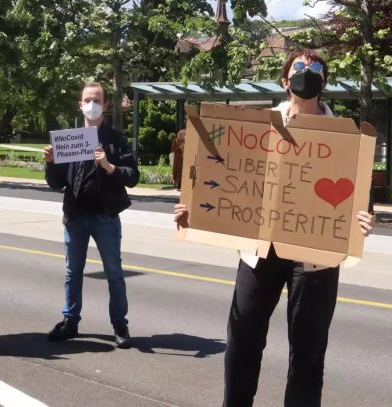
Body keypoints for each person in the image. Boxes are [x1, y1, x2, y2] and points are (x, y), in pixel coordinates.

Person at [174, 49, 374, 407]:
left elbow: (358, 200)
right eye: (299, 67)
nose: (307, 72)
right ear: (285, 80)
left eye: (315, 68)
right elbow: (225, 176)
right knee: (243, 342)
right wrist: (194, 211)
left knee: (308, 353)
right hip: (259, 253)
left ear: (324, 82)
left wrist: (362, 221)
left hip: (316, 258)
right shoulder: (257, 128)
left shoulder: (346, 137)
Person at [43, 82, 140, 349]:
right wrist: (51, 163)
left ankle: (120, 324)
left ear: (106, 106)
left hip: (105, 217)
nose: (92, 104)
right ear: (80, 104)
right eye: (88, 100)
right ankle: (70, 321)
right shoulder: (69, 140)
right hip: (75, 217)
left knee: (114, 273)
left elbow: (133, 177)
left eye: (97, 100)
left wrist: (108, 166)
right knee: (72, 272)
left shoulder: (116, 139)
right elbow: (55, 182)